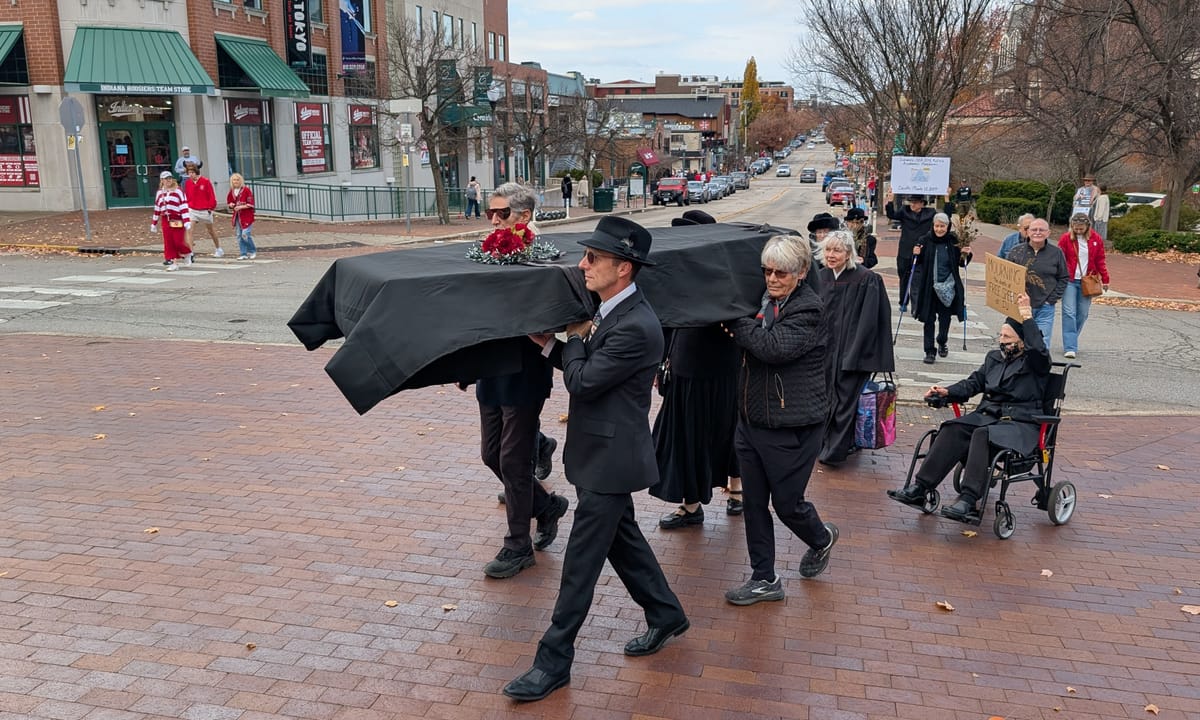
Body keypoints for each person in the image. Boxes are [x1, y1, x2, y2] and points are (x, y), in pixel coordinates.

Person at [506, 217, 688, 703]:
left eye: (593, 258)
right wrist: (548, 343)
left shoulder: (637, 326)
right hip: (599, 454)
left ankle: (553, 662)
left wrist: (576, 337)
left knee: (580, 566)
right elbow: (582, 364)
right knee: (623, 543)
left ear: (623, 268)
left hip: (612, 462)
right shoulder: (612, 308)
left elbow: (583, 380)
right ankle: (665, 613)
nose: (583, 265)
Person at [722, 237, 839, 607]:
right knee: (754, 503)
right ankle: (764, 578)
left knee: (787, 505)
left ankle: (820, 538)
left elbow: (772, 348)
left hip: (793, 425)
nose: (772, 279)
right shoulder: (760, 299)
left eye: (781, 273)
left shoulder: (809, 310)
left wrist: (734, 321)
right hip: (752, 420)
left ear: (802, 273)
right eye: (767, 271)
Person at [470, 184, 569, 580]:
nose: (493, 220)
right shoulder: (490, 248)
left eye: (501, 214)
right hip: (491, 367)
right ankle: (546, 507)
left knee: (512, 460)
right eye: (489, 213)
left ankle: (517, 546)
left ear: (524, 216)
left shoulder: (542, 256)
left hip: (526, 371)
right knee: (491, 454)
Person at [888, 294, 1049, 523]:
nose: (1001, 341)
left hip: (1019, 423)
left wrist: (1026, 316)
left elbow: (1040, 352)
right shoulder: (995, 358)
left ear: (1023, 341)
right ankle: (920, 487)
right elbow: (974, 383)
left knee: (982, 434)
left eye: (1007, 337)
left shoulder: (1035, 362)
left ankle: (968, 498)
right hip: (989, 416)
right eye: (1000, 335)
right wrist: (947, 392)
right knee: (953, 427)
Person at [651, 210, 743, 527]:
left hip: (722, 365)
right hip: (685, 365)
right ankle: (691, 505)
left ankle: (737, 490)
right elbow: (665, 317)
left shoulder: (724, 270)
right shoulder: (676, 270)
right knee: (686, 438)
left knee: (728, 429)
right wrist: (661, 359)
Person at [817, 231, 895, 466]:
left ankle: (835, 451)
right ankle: (823, 444)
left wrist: (855, 353)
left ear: (849, 253)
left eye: (837, 250)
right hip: (824, 352)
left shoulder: (866, 279)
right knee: (824, 400)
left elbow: (870, 321)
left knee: (845, 403)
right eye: (828, 250)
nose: (831, 255)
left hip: (853, 353)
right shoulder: (819, 277)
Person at [911, 213, 970, 364]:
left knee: (945, 318)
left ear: (947, 226)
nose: (939, 229)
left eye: (942, 226)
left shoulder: (954, 241)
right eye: (937, 226)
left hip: (948, 285)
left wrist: (966, 254)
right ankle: (929, 351)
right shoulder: (925, 240)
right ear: (933, 225)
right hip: (929, 287)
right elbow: (916, 263)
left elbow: (962, 264)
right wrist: (915, 254)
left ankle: (942, 340)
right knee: (929, 320)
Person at [1005, 218, 1068, 348]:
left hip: (1044, 307)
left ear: (1048, 233)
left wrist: (1051, 300)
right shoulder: (1016, 251)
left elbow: (1063, 277)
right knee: (1014, 343)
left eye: (1042, 230)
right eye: (1034, 229)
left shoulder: (1056, 253)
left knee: (1041, 344)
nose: (1038, 232)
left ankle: (1038, 368)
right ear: (1028, 232)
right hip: (1019, 305)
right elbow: (1006, 277)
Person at [1058, 213, 1110, 359]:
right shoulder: (1066, 239)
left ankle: (1072, 337)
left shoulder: (1096, 239)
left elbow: (1100, 259)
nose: (1078, 231)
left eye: (1081, 228)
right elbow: (1059, 259)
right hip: (1069, 280)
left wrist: (1105, 278)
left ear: (1087, 227)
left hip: (1087, 280)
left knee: (1082, 313)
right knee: (1069, 312)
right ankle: (1070, 346)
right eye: (1076, 228)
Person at [885, 193, 936, 309]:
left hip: (922, 250)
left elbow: (945, 219)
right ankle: (903, 301)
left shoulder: (930, 213)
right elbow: (891, 214)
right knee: (903, 277)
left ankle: (917, 303)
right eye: (911, 202)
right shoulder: (904, 211)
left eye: (916, 202)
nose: (912, 204)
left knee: (919, 279)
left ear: (922, 203)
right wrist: (890, 201)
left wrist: (947, 200)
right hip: (905, 250)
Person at [150, 171, 192, 272]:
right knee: (169, 242)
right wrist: (154, 223)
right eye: (166, 178)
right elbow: (157, 208)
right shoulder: (160, 193)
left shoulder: (178, 191)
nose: (168, 180)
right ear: (162, 180)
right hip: (165, 219)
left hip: (177, 218)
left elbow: (183, 205)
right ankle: (174, 263)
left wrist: (186, 220)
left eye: (170, 178)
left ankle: (187, 253)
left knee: (178, 241)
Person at [182, 162, 223, 258]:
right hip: (192, 209)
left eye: (192, 172)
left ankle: (218, 248)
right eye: (189, 173)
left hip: (205, 210)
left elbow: (211, 196)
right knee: (189, 229)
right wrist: (186, 206)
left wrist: (210, 207)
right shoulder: (188, 183)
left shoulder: (205, 181)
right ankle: (191, 252)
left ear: (196, 172)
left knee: (211, 230)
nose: (190, 174)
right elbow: (186, 195)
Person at [226, 173, 257, 260]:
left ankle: (252, 250)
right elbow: (229, 202)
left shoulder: (246, 190)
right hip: (237, 217)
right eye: (234, 180)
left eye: (237, 180)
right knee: (239, 235)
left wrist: (241, 207)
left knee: (245, 234)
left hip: (246, 216)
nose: (236, 181)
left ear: (241, 181)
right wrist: (231, 205)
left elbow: (250, 204)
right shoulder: (231, 191)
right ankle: (243, 253)